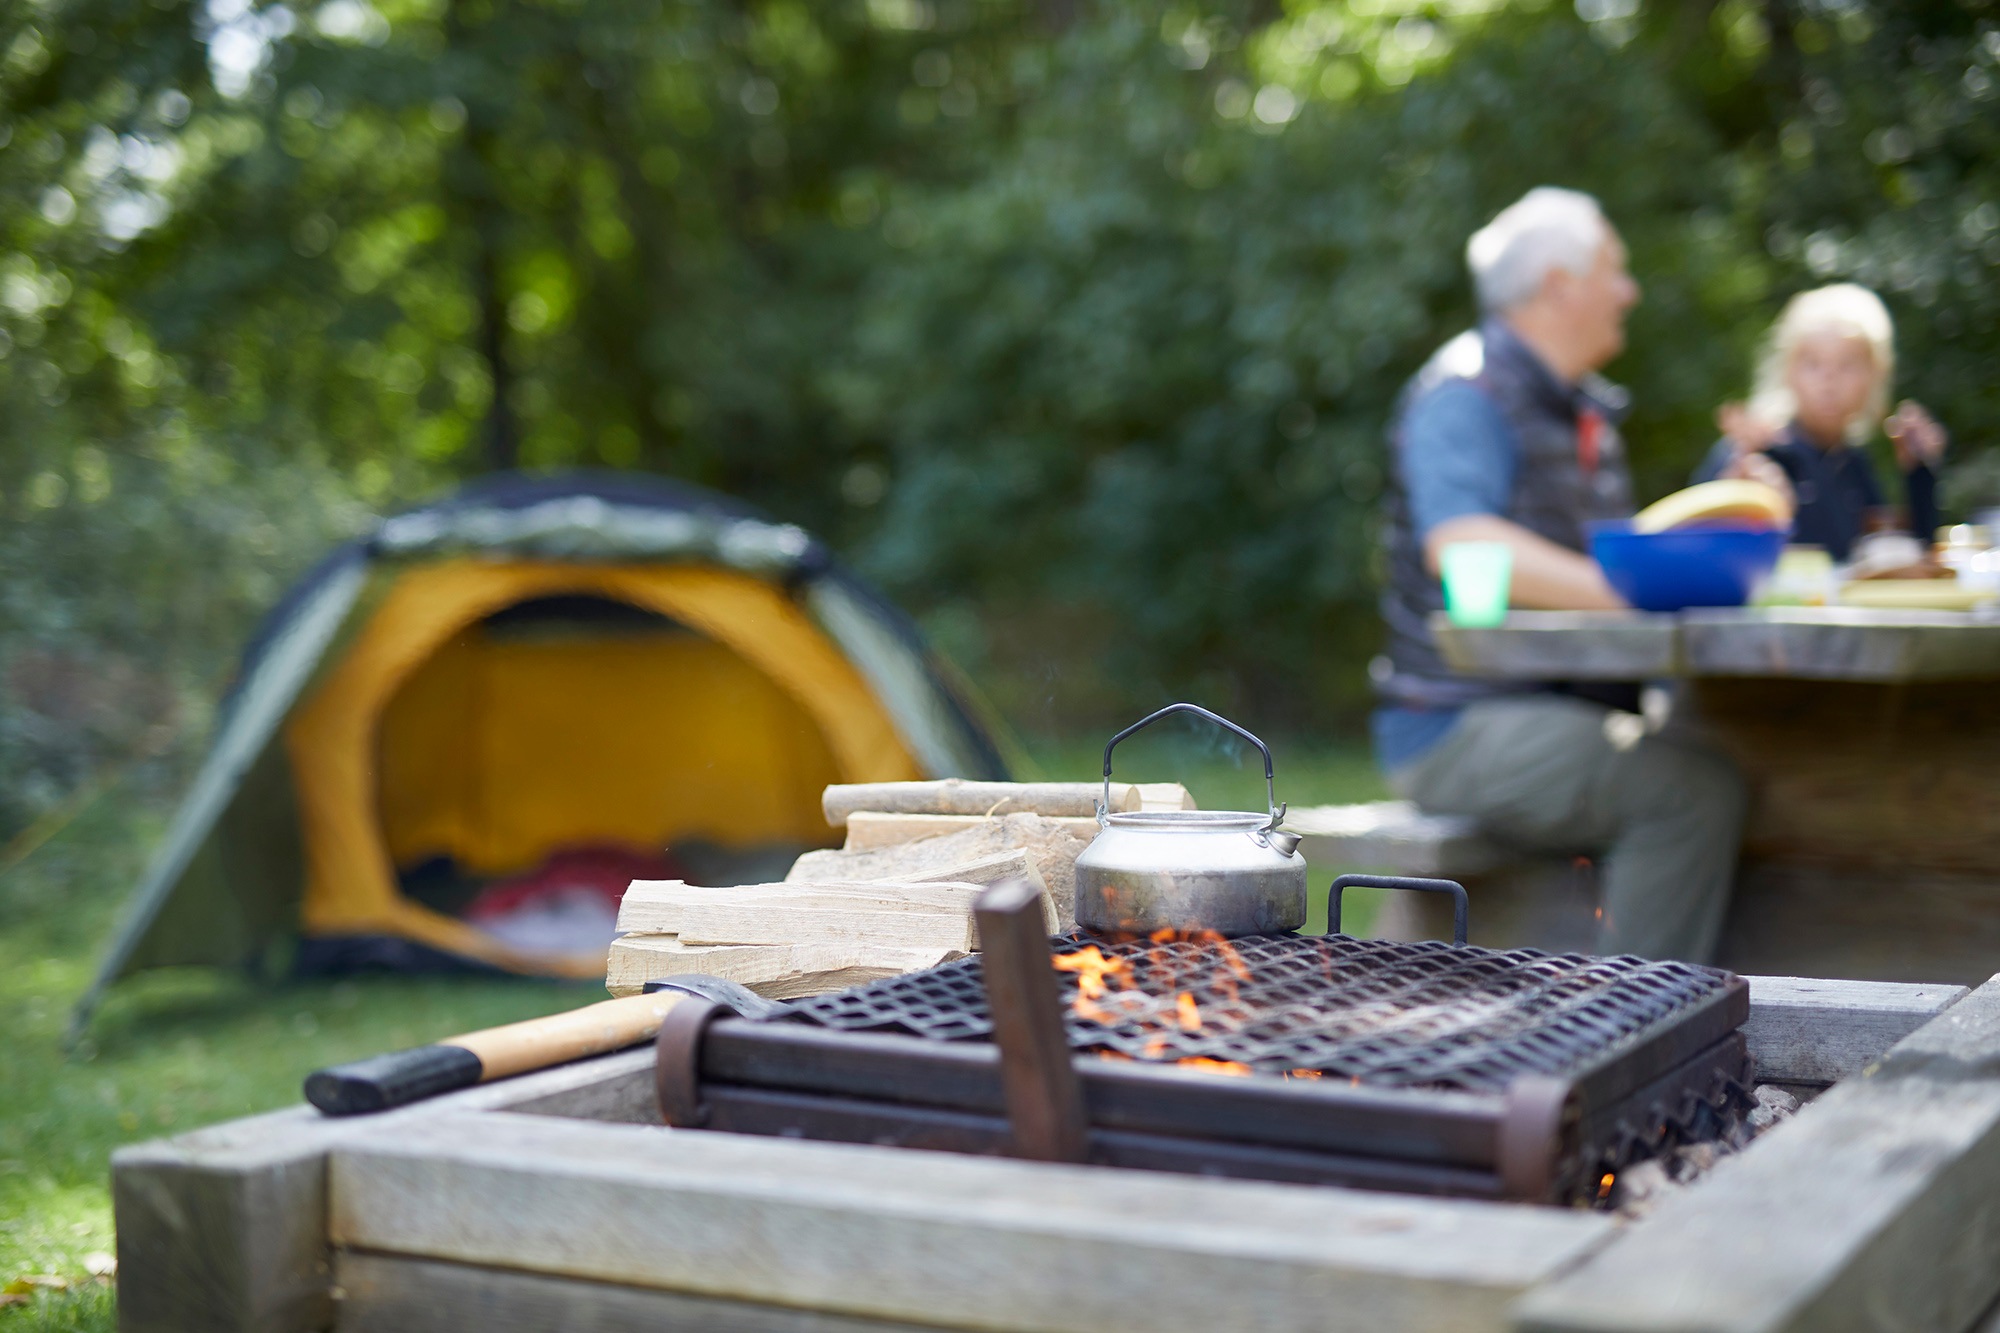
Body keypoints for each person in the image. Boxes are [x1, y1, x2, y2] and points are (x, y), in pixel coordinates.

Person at [1371, 186, 1747, 964]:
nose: (1629, 291)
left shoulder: (1577, 410)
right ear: (1559, 284)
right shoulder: (1465, 394)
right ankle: (1637, 1031)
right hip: (1458, 721)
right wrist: (1625, 591)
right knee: (1691, 796)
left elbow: (1602, 554)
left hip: (1552, 707)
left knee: (1735, 742)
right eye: (1615, 269)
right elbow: (1461, 543)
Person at [1694, 283, 1946, 562]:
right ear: (1787, 372)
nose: (1829, 381)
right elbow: (1691, 547)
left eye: (1847, 365)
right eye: (1812, 364)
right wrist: (1734, 497)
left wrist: (1919, 475)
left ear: (1874, 376)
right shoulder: (1756, 451)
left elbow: (1892, 561)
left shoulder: (1852, 463)